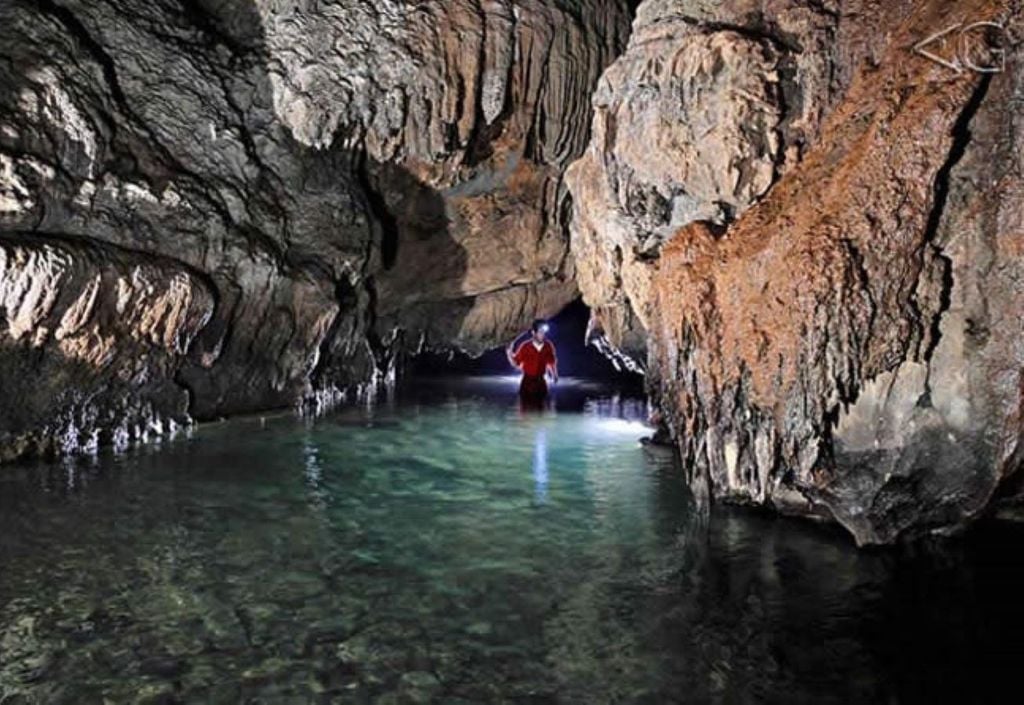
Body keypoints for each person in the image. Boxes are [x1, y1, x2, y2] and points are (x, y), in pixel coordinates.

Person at [506, 319, 559, 408]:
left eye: (544, 332)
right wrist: (509, 354)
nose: (543, 335)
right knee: (525, 410)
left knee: (542, 409)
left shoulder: (548, 346)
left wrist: (554, 375)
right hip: (527, 383)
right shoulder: (525, 346)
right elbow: (515, 363)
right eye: (540, 332)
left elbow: (551, 362)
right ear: (533, 332)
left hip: (541, 383)